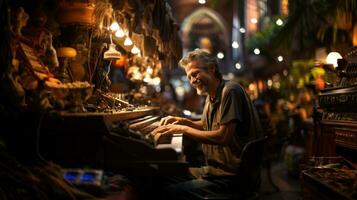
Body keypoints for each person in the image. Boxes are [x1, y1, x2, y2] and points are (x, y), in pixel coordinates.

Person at [151, 49, 263, 199]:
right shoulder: (211, 95)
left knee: (166, 192)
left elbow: (223, 137)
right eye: (189, 77)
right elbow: (206, 124)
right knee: (162, 176)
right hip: (214, 171)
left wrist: (183, 129)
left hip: (231, 177)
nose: (192, 81)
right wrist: (183, 121)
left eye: (195, 74)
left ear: (212, 69)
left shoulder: (230, 91)